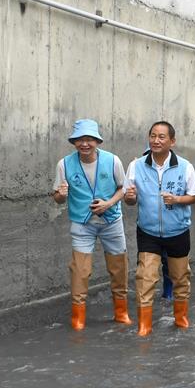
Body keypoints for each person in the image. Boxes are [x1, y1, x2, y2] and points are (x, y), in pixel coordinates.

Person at [52, 119, 131, 330]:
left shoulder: (113, 161)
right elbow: (57, 197)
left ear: (97, 141)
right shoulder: (64, 164)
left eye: (89, 139)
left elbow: (123, 189)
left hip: (111, 221)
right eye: (80, 139)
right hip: (82, 223)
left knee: (118, 268)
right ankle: (78, 317)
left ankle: (121, 312)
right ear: (74, 142)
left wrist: (109, 204)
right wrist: (60, 195)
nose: (84, 144)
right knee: (80, 270)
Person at [123, 121, 195, 336]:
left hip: (177, 231)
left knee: (180, 278)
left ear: (172, 141)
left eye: (161, 137)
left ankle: (181, 319)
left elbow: (194, 196)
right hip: (148, 232)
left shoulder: (184, 166)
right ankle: (144, 327)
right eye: (153, 136)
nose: (156, 140)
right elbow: (130, 199)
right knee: (145, 277)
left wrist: (176, 199)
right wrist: (130, 198)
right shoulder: (136, 165)